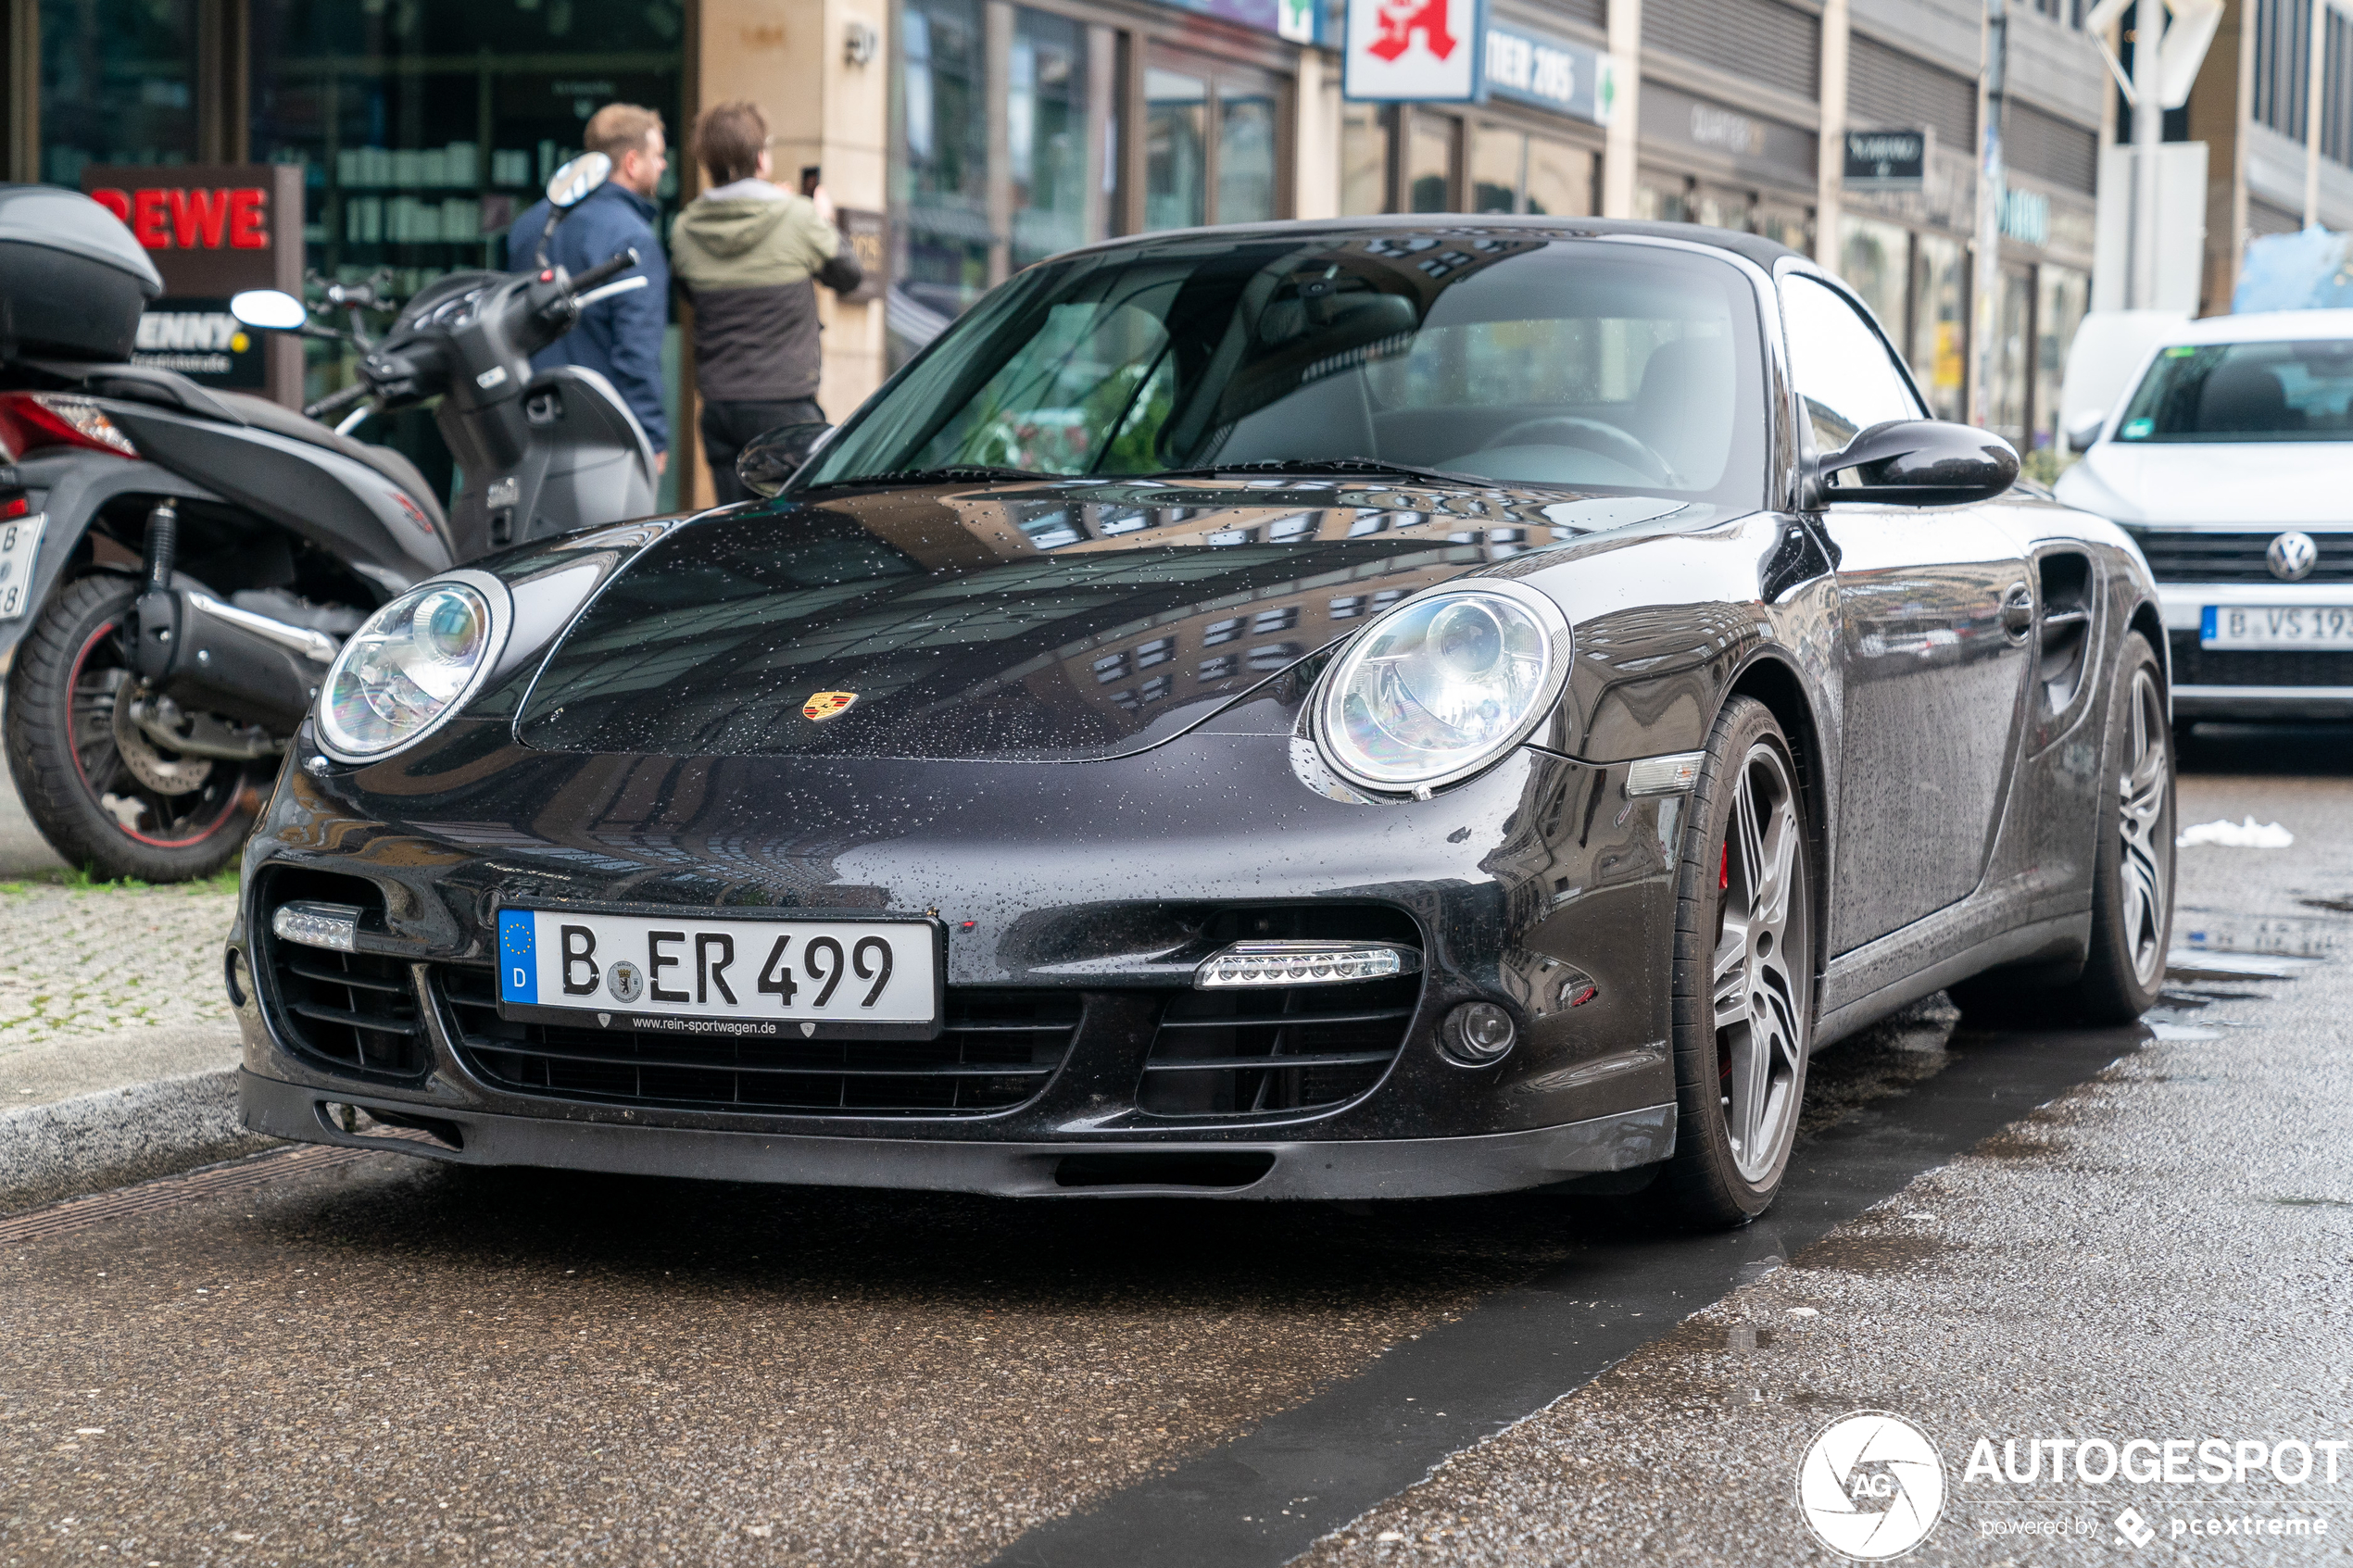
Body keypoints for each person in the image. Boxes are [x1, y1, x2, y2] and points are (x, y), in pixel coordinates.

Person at [671, 99, 864, 502]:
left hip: (720, 404)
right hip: (785, 406)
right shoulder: (797, 217)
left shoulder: (685, 227)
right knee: (801, 533)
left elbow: (688, 292)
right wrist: (819, 217)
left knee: (734, 532)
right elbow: (848, 275)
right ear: (761, 158)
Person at [508, 104, 672, 473]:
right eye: (658, 156)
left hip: (529, 427)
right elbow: (636, 352)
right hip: (604, 438)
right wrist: (651, 437)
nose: (663, 165)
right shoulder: (633, 238)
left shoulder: (529, 225)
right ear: (632, 162)